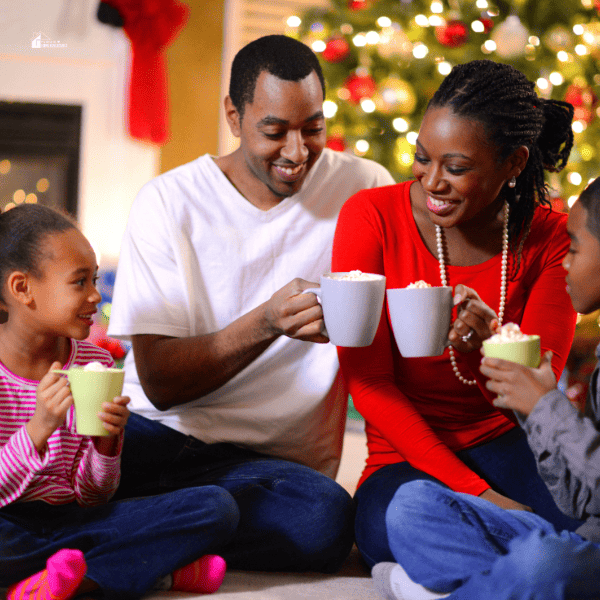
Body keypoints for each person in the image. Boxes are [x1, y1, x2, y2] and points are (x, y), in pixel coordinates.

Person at [107, 34, 395, 572]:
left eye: (313, 128)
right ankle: (182, 528)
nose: (296, 151)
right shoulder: (169, 201)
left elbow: (398, 315)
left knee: (325, 524)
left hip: (269, 466)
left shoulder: (364, 190)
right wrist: (266, 323)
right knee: (61, 459)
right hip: (156, 436)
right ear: (234, 118)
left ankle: (154, 528)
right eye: (274, 131)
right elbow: (161, 386)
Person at [331, 59, 582, 568]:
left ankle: (492, 562)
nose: (433, 181)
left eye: (457, 167)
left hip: (507, 440)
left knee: (586, 509)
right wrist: (482, 497)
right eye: (423, 158)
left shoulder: (553, 239)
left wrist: (487, 345)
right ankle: (533, 554)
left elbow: (540, 386)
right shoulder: (371, 216)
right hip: (403, 457)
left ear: (514, 164)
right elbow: (371, 385)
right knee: (398, 520)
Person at [373, 177, 600, 600]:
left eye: (574, 247)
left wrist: (547, 407)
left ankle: (456, 592)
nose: (565, 263)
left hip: (579, 554)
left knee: (544, 563)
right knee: (413, 506)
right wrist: (529, 408)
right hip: (585, 539)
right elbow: (577, 503)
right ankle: (502, 589)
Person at [0, 204, 238, 600]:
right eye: (79, 282)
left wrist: (107, 444)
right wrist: (37, 430)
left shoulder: (94, 363)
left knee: (216, 507)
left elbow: (95, 496)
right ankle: (154, 573)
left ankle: (64, 579)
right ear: (22, 288)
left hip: (78, 520)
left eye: (94, 279)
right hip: (8, 523)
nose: (96, 294)